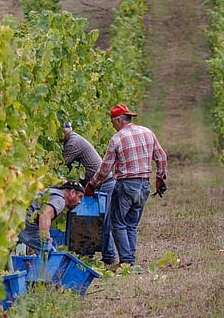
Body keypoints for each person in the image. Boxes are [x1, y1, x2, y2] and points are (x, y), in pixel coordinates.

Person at [85, 104, 168, 267]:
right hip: (144, 184)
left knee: (118, 223)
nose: (112, 126)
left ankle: (127, 260)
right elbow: (161, 157)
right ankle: (130, 257)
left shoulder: (117, 139)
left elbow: (105, 168)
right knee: (131, 223)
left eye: (112, 123)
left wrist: (93, 184)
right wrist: (159, 178)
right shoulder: (147, 132)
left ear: (118, 120)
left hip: (125, 185)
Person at [18, 181, 85, 254]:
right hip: (25, 225)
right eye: (80, 197)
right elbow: (44, 215)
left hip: (15, 219)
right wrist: (46, 239)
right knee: (49, 251)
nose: (80, 202)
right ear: (72, 193)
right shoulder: (60, 200)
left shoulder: (51, 191)